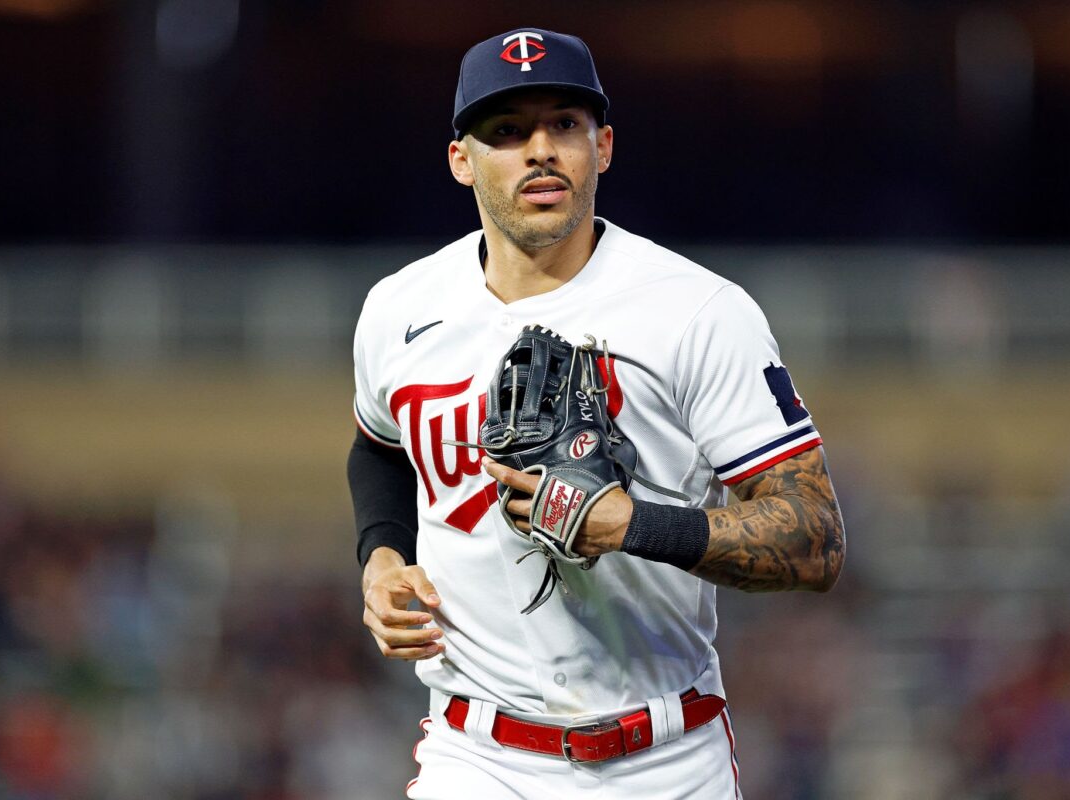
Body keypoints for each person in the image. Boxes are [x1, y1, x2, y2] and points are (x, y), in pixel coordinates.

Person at [349, 27, 845, 799]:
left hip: (664, 759)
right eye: (507, 131)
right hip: (477, 755)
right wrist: (381, 557)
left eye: (564, 125)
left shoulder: (697, 311)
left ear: (603, 146)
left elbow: (815, 536)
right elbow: (378, 446)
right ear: (461, 161)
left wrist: (633, 524)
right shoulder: (398, 309)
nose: (539, 149)